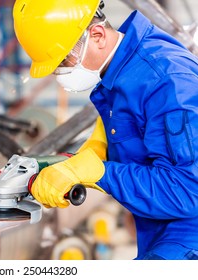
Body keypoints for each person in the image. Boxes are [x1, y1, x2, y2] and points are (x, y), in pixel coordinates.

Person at [13, 0, 198, 260]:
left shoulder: (167, 82)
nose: (61, 72)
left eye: (64, 60)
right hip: (164, 230)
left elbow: (188, 191)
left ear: (97, 35)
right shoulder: (126, 74)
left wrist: (101, 173)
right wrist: (99, 150)